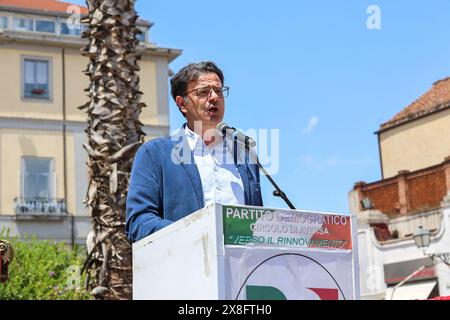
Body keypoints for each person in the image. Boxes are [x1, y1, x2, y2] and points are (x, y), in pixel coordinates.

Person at [126, 61, 263, 242]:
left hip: (242, 268)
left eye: (219, 91)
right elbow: (139, 222)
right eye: (203, 92)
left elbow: (259, 223)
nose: (214, 97)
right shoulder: (155, 154)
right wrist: (197, 232)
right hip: (186, 265)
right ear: (182, 103)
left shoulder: (245, 156)